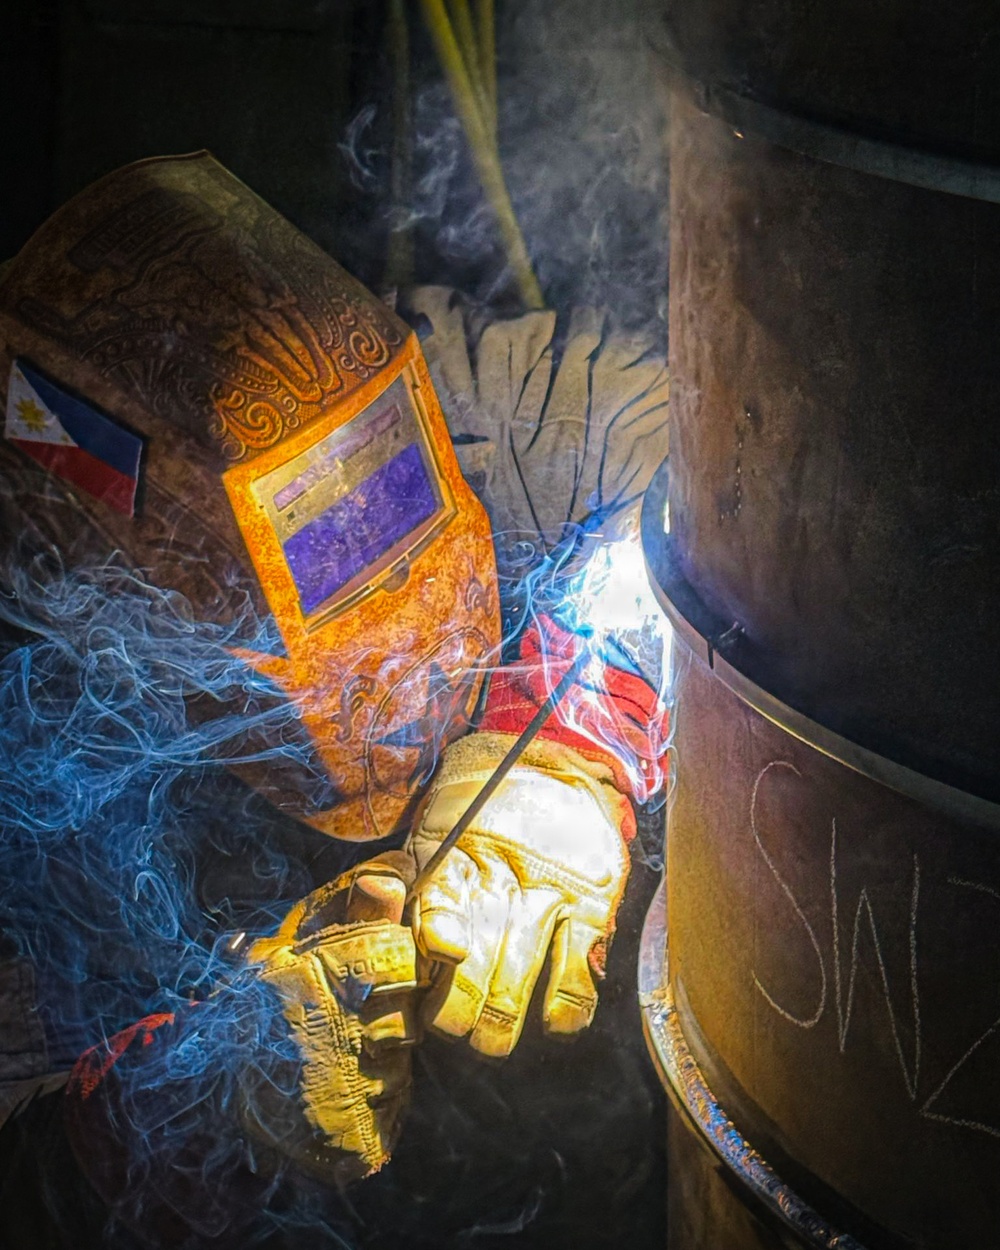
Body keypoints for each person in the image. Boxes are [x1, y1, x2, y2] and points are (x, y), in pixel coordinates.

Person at [0, 154, 667, 1246]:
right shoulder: (33, 750)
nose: (402, 621)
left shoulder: (430, 388)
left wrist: (572, 729)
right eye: (307, 554)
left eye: (392, 487)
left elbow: (725, 460)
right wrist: (208, 1090)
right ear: (111, 598)